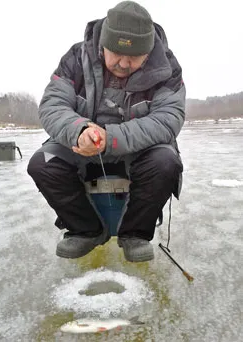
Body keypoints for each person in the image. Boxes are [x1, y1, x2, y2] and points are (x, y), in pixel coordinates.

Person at [27, 1, 185, 262]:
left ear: (147, 53)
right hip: (82, 143)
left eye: (134, 57)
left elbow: (168, 118)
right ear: (103, 44)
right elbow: (53, 105)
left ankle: (134, 233)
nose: (123, 63)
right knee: (43, 164)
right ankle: (85, 230)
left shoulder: (168, 69)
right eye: (116, 54)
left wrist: (109, 139)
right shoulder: (75, 59)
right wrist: (79, 131)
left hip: (138, 149)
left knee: (166, 162)